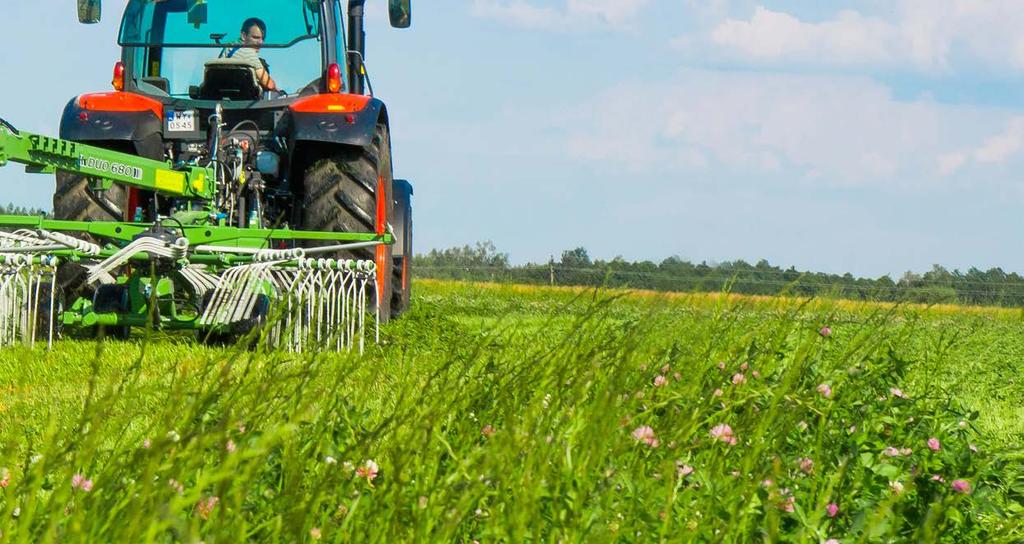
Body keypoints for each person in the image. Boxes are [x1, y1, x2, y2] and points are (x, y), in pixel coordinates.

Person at [219, 17, 277, 91]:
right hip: (244, 97)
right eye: (256, 37)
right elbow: (270, 85)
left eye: (263, 39)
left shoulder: (228, 48)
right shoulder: (248, 53)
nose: (260, 42)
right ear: (243, 35)